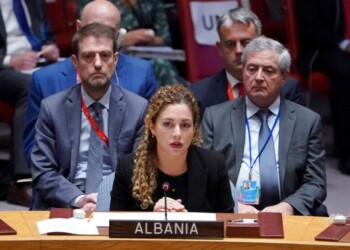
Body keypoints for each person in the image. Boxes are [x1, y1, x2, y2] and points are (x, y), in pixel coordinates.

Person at [201, 37, 327, 216]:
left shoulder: (307, 121)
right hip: (233, 210)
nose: (258, 77)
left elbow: (316, 183)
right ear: (243, 71)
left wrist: (288, 206)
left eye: (268, 71)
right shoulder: (215, 117)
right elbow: (204, 174)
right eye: (252, 69)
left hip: (287, 212)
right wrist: (235, 204)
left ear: (284, 77)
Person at [24, 0, 157, 166]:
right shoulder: (45, 80)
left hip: (123, 181)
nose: (99, 37)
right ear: (78, 28)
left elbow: (152, 142)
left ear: (119, 36)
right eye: (92, 29)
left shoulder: (141, 74)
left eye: (108, 31)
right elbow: (33, 149)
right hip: (65, 182)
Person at [31, 22, 148, 211]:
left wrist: (107, 198)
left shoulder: (138, 108)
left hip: (117, 201)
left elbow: (139, 171)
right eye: (88, 56)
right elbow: (43, 172)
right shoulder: (52, 108)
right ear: (75, 62)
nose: (98, 63)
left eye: (105, 55)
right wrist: (79, 199)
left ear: (115, 59)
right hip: (67, 202)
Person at [110, 84, 234, 212]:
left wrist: (190, 223)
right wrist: (152, 218)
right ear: (152, 127)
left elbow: (227, 226)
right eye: (167, 124)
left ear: (194, 129)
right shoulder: (129, 167)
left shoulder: (214, 165)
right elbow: (116, 226)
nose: (177, 133)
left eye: (185, 125)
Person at [190, 8, 303, 116]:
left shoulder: (287, 88)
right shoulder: (199, 94)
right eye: (230, 44)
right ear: (220, 49)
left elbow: (294, 134)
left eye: (246, 42)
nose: (239, 50)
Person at [0, 0, 59, 206]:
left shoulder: (34, 2)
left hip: (36, 62)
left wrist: (50, 48)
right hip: (5, 68)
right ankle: (21, 180)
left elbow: (49, 37)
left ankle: (64, 171)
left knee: (68, 75)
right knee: (30, 85)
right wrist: (10, 60)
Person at [296, 0, 350, 175]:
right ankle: (346, 153)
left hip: (337, 49)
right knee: (346, 72)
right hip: (317, 51)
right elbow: (310, 30)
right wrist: (342, 43)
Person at [76, 0, 182, 86]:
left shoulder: (152, 2)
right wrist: (122, 38)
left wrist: (147, 37)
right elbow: (86, 33)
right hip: (113, 52)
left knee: (163, 66)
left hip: (151, 53)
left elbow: (165, 38)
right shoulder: (93, 4)